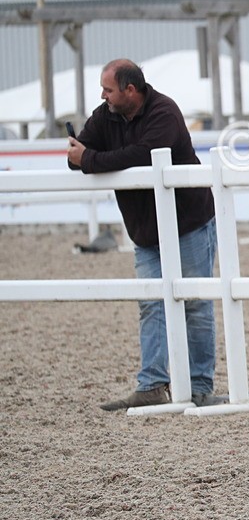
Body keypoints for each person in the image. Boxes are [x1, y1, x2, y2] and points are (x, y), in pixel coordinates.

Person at [67, 59, 219, 410]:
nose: (102, 96)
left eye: (108, 89)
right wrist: (86, 157)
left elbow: (142, 155)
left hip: (188, 222)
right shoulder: (105, 115)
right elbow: (77, 155)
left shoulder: (164, 111)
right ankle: (151, 384)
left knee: (195, 304)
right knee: (151, 303)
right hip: (145, 231)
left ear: (130, 90)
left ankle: (199, 387)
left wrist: (90, 158)